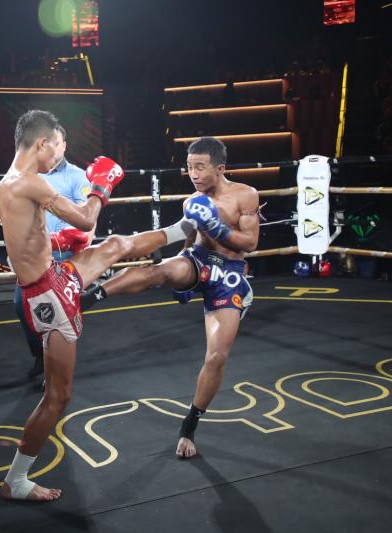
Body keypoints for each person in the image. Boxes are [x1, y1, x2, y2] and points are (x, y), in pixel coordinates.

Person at [0, 110, 198, 501]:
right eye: (57, 145)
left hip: (53, 276)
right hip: (48, 297)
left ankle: (186, 228)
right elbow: (88, 218)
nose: (60, 153)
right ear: (42, 143)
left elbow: (26, 238)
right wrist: (101, 185)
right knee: (58, 397)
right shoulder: (30, 182)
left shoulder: (9, 182)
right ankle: (15, 481)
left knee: (115, 245)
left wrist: (62, 241)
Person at [80, 136, 259, 460]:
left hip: (229, 275)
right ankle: (88, 298)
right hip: (198, 260)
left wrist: (217, 228)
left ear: (220, 168)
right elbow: (189, 239)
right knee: (157, 271)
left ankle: (189, 426)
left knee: (216, 357)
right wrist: (182, 272)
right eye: (190, 167)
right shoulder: (192, 202)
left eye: (200, 167)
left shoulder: (245, 195)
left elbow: (250, 242)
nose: (194, 174)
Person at [13, 124, 94, 378]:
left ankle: (54, 370)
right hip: (34, 257)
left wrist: (79, 240)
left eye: (57, 143)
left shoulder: (77, 176)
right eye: (48, 143)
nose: (52, 149)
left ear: (64, 146)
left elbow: (87, 218)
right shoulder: (28, 177)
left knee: (58, 314)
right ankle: (40, 356)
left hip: (64, 254)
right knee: (21, 306)